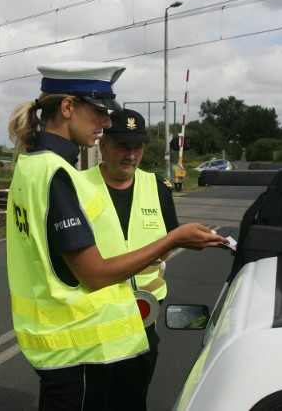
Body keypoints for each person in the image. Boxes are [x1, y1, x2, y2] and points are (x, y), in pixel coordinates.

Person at [6, 60, 226, 411]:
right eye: (100, 112)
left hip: (55, 349)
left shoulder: (30, 165)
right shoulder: (58, 175)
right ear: (67, 108)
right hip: (77, 351)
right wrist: (173, 239)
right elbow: (94, 275)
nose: (107, 122)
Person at [82, 108, 178, 409]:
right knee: (97, 393)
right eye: (124, 146)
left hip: (143, 310)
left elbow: (169, 241)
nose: (131, 155)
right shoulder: (76, 186)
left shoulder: (158, 188)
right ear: (103, 145)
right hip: (95, 310)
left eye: (137, 147)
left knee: (134, 394)